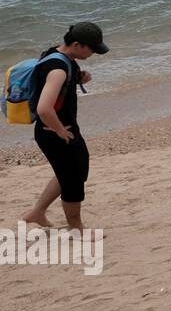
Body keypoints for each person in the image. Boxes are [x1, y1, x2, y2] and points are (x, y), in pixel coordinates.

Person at [21, 23, 109, 231]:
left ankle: (37, 212)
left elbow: (56, 85)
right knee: (73, 179)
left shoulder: (59, 55)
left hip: (63, 129)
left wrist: (79, 78)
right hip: (54, 132)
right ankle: (75, 228)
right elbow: (44, 109)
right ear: (77, 44)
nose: (93, 54)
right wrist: (60, 130)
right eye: (92, 49)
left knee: (76, 170)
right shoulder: (58, 69)